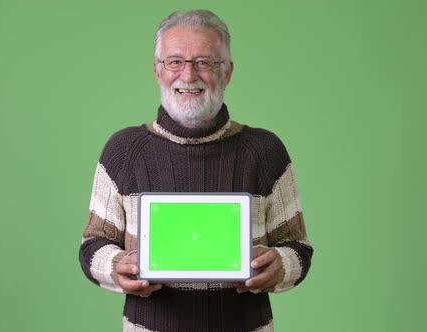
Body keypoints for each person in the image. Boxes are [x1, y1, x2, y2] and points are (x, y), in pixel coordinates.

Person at [79, 9, 313, 332]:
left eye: (204, 62)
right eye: (175, 61)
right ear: (157, 71)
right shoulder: (123, 152)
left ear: (227, 72)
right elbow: (92, 245)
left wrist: (281, 265)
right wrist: (117, 266)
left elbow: (298, 248)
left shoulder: (266, 152)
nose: (188, 75)